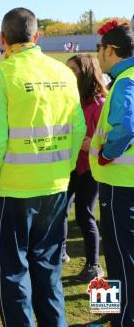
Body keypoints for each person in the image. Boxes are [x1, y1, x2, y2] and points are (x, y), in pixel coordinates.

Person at [0, 8, 86, 327]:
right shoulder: (64, 73)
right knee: (49, 269)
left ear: (2, 40)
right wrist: (61, 170)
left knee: (13, 272)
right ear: (37, 37)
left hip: (14, 189)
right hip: (54, 187)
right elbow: (78, 129)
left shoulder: (1, 73)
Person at [89, 20, 134, 326]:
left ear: (111, 50)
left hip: (119, 185)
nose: (98, 56)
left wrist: (106, 154)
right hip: (123, 185)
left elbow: (127, 126)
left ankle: (122, 320)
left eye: (100, 49)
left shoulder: (125, 81)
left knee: (119, 259)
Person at [60, 54, 106, 281]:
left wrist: (90, 142)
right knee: (60, 210)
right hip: (69, 165)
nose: (69, 74)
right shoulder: (71, 100)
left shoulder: (99, 105)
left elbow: (103, 141)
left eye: (74, 70)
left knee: (84, 215)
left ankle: (94, 265)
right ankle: (60, 253)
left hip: (90, 170)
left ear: (86, 73)